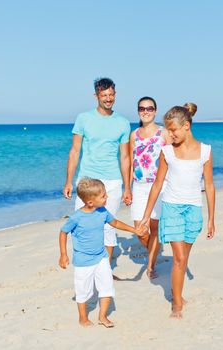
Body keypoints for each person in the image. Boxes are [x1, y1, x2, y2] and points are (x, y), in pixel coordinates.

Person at [138, 103, 216, 318]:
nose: (169, 134)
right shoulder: (166, 152)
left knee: (184, 259)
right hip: (171, 207)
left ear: (187, 126)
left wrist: (211, 218)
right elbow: (156, 184)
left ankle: (177, 291)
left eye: (173, 130)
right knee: (179, 258)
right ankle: (177, 304)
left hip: (193, 209)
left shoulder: (205, 151)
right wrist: (146, 216)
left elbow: (209, 185)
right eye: (168, 130)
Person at [58, 178, 147, 327]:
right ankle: (83, 317)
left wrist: (134, 230)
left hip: (101, 257)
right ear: (90, 202)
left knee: (107, 287)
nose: (107, 197)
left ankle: (102, 316)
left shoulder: (102, 211)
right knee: (83, 291)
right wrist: (63, 254)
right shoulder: (76, 218)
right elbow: (63, 232)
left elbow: (116, 223)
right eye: (103, 196)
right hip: (83, 261)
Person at [63, 77, 132, 268]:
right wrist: (69, 181)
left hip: (112, 181)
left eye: (111, 95)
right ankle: (85, 267)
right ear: (96, 96)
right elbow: (75, 151)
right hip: (87, 180)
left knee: (108, 227)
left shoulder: (123, 123)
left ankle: (105, 271)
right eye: (104, 95)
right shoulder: (83, 119)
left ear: (115, 94)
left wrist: (127, 188)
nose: (108, 99)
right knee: (81, 225)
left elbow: (125, 157)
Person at [129, 96, 171, 279]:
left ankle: (151, 265)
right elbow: (131, 162)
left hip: (160, 186)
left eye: (149, 108)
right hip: (139, 186)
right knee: (139, 229)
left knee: (154, 227)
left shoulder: (164, 133)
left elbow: (173, 158)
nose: (145, 111)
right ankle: (154, 250)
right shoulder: (134, 134)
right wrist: (127, 188)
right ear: (138, 111)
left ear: (155, 111)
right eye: (142, 108)